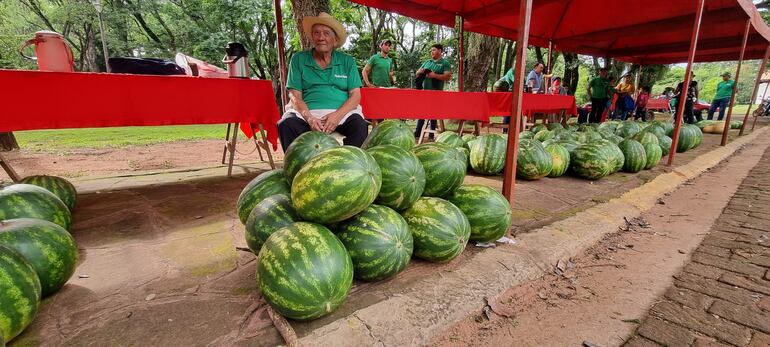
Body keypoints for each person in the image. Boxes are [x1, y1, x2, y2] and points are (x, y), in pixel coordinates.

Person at [277, 12, 368, 151]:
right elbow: (295, 96)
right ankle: (297, 168)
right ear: (312, 37)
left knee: (359, 125)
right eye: (317, 33)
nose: (321, 37)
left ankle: (351, 168)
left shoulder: (347, 61)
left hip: (342, 114)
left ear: (335, 40)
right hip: (307, 114)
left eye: (326, 33)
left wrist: (337, 116)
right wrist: (310, 118)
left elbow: (356, 96)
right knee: (286, 124)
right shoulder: (299, 59)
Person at [414, 44, 452, 138]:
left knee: (433, 113)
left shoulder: (445, 63)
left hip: (437, 92)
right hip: (425, 91)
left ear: (440, 51)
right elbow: (417, 73)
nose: (432, 52)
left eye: (434, 50)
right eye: (431, 50)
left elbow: (448, 76)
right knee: (422, 112)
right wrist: (422, 71)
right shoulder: (427, 61)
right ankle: (418, 132)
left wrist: (435, 76)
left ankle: (431, 134)